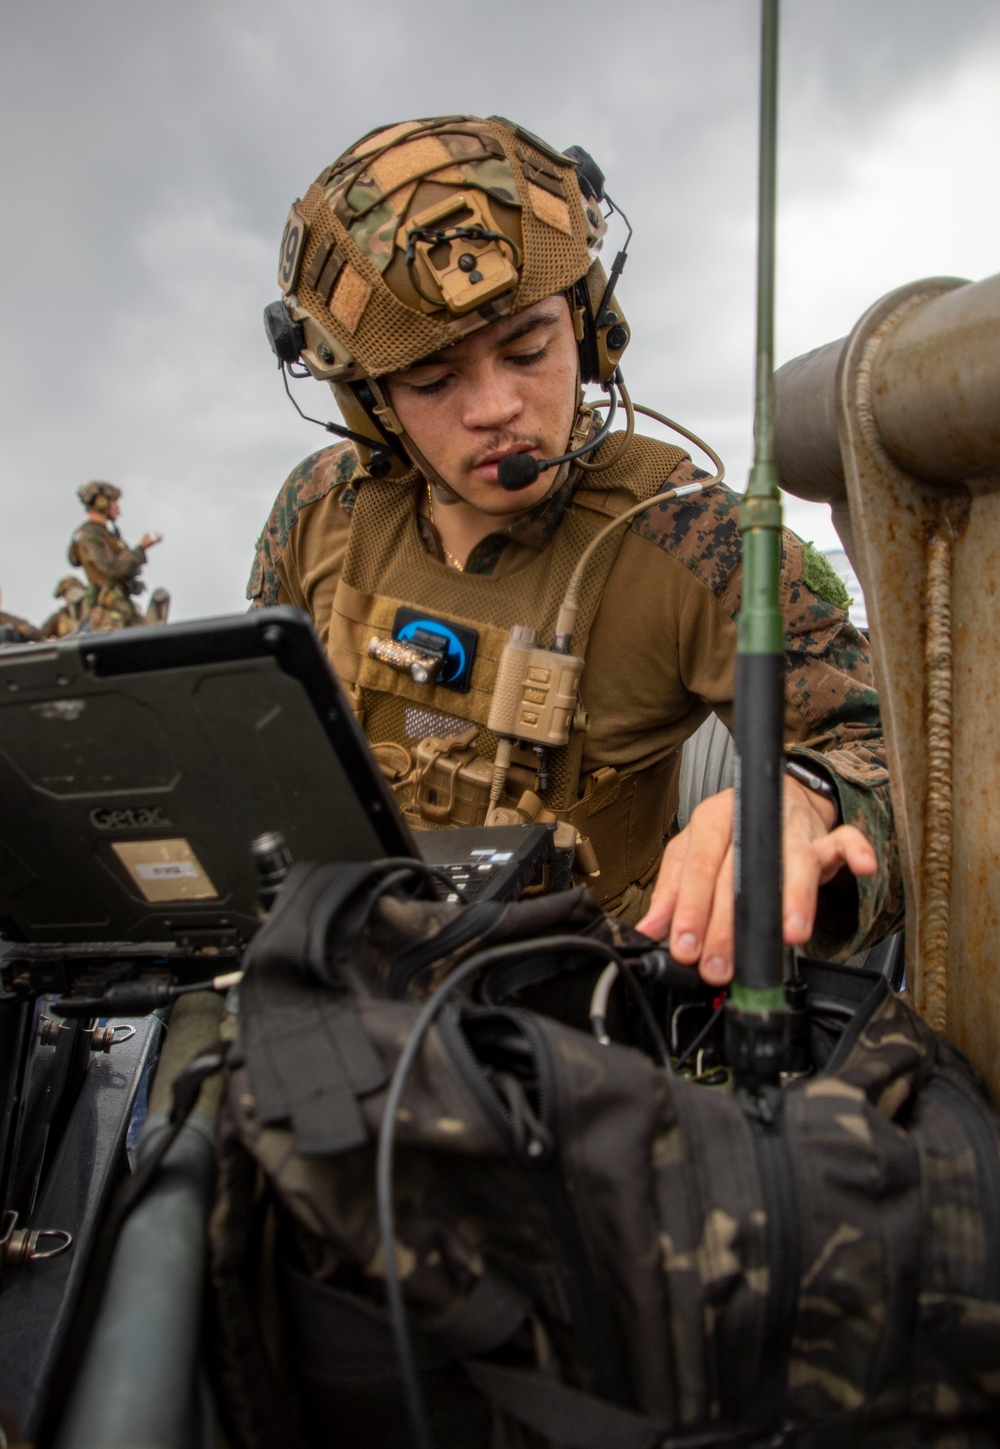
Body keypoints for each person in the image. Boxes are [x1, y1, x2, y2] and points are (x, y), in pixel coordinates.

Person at [249, 114, 901, 983]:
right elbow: (251, 740)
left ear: (591, 327)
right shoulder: (320, 509)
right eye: (433, 380)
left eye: (528, 349)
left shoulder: (695, 539)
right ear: (368, 400)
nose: (494, 408)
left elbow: (893, 748)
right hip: (328, 978)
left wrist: (803, 800)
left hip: (578, 1026)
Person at [69, 482, 163, 631]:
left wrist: (139, 552)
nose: (117, 507)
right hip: (107, 614)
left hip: (121, 607)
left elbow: (126, 566)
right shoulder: (90, 536)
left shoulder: (107, 534)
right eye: (114, 502)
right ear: (101, 503)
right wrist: (139, 550)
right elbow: (111, 567)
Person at [41, 575, 87, 639]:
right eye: (64, 594)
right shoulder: (60, 617)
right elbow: (42, 635)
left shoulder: (93, 610)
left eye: (67, 592)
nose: (66, 597)